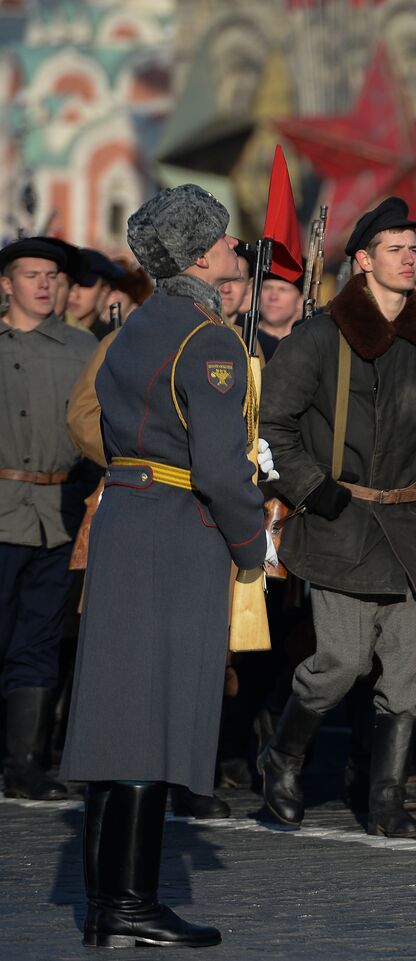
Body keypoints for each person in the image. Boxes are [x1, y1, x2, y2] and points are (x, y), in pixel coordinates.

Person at [62, 185, 268, 948]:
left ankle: (104, 901)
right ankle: (133, 901)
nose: (234, 250)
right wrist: (253, 545)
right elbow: (219, 467)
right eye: (224, 240)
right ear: (198, 254)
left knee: (120, 714)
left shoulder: (140, 324)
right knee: (149, 721)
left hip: (125, 519)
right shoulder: (207, 337)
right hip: (178, 530)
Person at [258, 196, 416, 839]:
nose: (410, 259)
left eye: (414, 249)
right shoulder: (320, 335)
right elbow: (272, 424)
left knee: (409, 680)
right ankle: (284, 756)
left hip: (409, 529)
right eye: (397, 250)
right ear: (363, 261)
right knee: (339, 666)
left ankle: (385, 801)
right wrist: (308, 488)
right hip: (337, 521)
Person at [0, 238, 98, 802]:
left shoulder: (82, 348)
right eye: (30, 274)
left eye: (52, 275)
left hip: (57, 516)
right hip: (3, 511)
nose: (44, 284)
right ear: (7, 284)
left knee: (37, 640)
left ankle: (25, 765)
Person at [66, 248, 126, 338]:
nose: (74, 294)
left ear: (104, 291)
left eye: (84, 285)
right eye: (70, 283)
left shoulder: (113, 341)